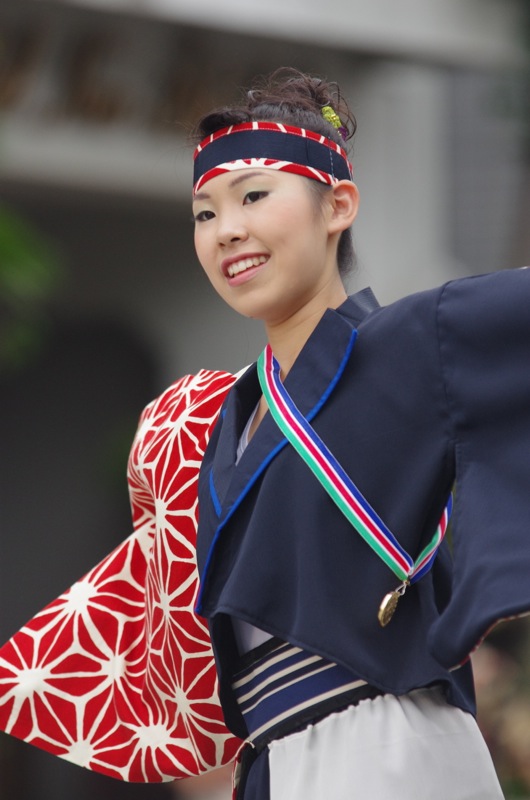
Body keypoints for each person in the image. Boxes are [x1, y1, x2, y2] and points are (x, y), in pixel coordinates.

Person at [0, 67, 529, 799]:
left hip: (390, 742)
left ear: (337, 205)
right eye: (204, 213)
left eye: (253, 196)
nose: (228, 231)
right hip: (273, 760)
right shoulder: (206, 424)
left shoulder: (416, 342)